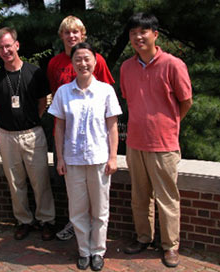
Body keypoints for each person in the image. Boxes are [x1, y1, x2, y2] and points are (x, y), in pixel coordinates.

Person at [120, 13, 193, 268]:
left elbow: (186, 102)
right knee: (140, 197)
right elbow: (130, 100)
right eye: (133, 33)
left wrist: (169, 125)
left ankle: (170, 246)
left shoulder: (173, 65)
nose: (138, 37)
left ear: (155, 34)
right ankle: (143, 238)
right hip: (135, 142)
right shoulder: (127, 67)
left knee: (167, 199)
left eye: (143, 31)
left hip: (164, 145)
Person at [48, 42, 122, 271]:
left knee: (100, 209)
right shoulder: (63, 92)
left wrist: (113, 157)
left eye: (87, 58)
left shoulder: (105, 91)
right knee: (77, 210)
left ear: (95, 61)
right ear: (72, 63)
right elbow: (59, 128)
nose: (83, 63)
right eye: (78, 59)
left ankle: (98, 251)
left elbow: (112, 127)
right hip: (73, 161)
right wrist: (59, 158)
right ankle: (83, 251)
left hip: (99, 159)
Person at [0, 27, 56, 241]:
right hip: (7, 136)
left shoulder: (34, 72)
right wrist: (3, 121)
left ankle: (46, 220)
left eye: (8, 46)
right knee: (15, 182)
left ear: (16, 45)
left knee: (40, 181)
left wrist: (32, 119)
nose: (5, 50)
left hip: (32, 134)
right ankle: (23, 221)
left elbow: (42, 101)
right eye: (1, 47)